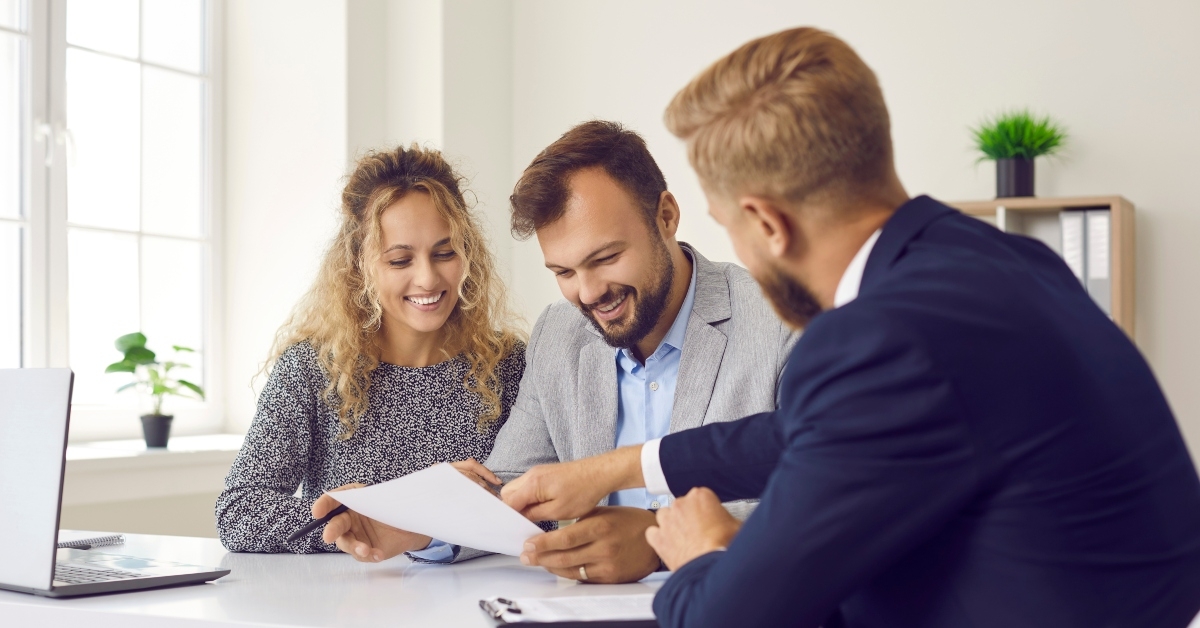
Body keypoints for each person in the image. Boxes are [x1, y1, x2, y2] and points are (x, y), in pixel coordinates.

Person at [501, 28, 1200, 628]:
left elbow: (728, 615)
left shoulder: (878, 338)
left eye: (728, 225)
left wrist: (707, 554)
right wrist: (626, 467)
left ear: (768, 223)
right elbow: (807, 436)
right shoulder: (1005, 258)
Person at [317, 120, 797, 583]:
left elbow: (828, 494)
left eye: (606, 258)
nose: (588, 294)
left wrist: (656, 544)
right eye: (563, 272)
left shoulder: (780, 316)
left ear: (666, 216)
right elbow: (509, 486)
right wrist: (417, 523)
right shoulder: (560, 333)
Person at [215, 145, 526, 557]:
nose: (428, 278)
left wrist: (406, 512)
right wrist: (400, 508)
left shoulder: (506, 364)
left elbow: (538, 517)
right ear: (359, 265)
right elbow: (240, 513)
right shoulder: (312, 368)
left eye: (445, 253)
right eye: (400, 260)